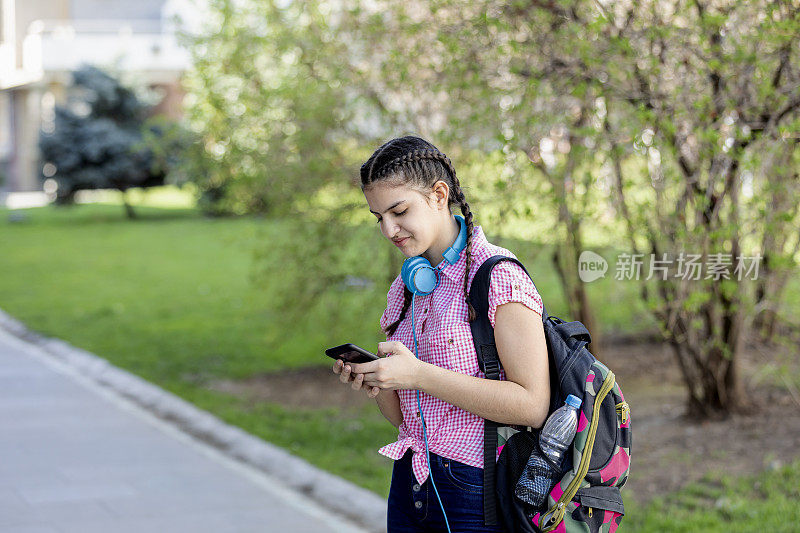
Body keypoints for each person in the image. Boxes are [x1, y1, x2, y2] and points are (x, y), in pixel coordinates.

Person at [332, 135, 550, 532]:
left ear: (438, 194)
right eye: (378, 216)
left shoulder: (497, 278)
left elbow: (532, 405)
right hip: (410, 482)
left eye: (399, 211)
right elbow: (405, 418)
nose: (388, 229)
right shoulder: (405, 288)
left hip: (475, 491)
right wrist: (379, 381)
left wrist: (418, 375)